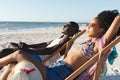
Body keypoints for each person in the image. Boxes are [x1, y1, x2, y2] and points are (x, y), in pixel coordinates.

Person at [0, 10, 120, 80]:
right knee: (11, 66)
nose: (88, 26)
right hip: (55, 69)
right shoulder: (89, 41)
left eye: (92, 24)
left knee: (19, 54)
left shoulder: (98, 45)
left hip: (59, 74)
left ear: (102, 30)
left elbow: (116, 21)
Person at [0, 21, 80, 66]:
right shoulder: (61, 37)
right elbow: (45, 44)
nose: (64, 26)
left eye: (67, 25)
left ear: (72, 30)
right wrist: (28, 46)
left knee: (4, 52)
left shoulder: (68, 40)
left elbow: (51, 50)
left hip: (41, 59)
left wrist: (29, 50)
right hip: (37, 54)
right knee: (11, 44)